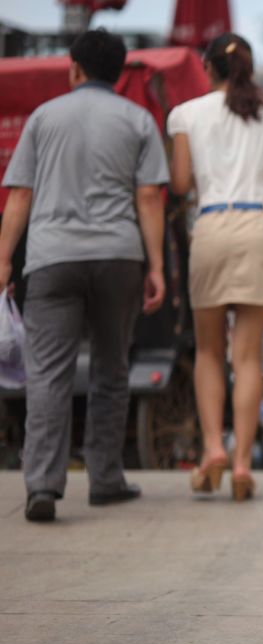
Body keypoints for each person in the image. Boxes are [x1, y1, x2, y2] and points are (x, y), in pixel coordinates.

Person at [0, 29, 167, 523]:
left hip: (52, 258)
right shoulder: (138, 119)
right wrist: (155, 265)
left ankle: (43, 486)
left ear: (74, 68)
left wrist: (3, 258)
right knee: (111, 369)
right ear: (117, 73)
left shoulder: (44, 117)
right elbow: (149, 198)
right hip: (119, 257)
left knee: (48, 372)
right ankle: (106, 479)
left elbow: (20, 196)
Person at [168, 33, 263, 501]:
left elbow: (182, 182)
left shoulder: (186, 114)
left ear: (208, 68)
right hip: (261, 227)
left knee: (209, 351)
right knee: (246, 358)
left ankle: (213, 448)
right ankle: (244, 462)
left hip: (212, 227)